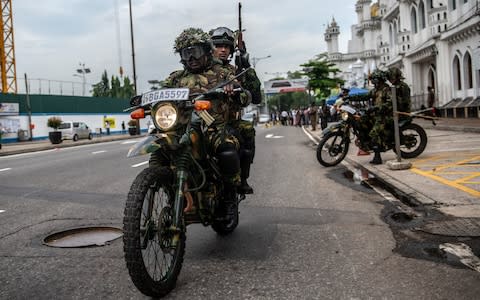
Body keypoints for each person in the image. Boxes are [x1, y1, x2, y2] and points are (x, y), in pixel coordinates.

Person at [163, 27, 250, 219]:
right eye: (186, 53)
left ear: (206, 50)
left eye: (195, 52)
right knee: (159, 150)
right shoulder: (176, 78)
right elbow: (161, 94)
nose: (191, 58)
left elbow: (246, 96)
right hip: (180, 129)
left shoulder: (223, 73)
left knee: (227, 150)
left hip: (213, 129)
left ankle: (229, 196)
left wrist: (233, 90)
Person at [210, 26, 260, 194]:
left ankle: (241, 180)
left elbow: (256, 96)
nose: (223, 50)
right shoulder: (197, 69)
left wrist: (245, 65)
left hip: (228, 123)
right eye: (218, 46)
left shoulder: (236, 72)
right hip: (195, 123)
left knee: (247, 131)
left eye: (227, 46)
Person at [368, 69, 392, 165]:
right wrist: (350, 97)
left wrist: (376, 108)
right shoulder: (375, 90)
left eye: (374, 79)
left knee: (374, 133)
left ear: (379, 79)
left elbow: (390, 103)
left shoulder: (387, 89)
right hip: (377, 115)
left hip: (385, 116)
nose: (373, 81)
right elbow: (365, 95)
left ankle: (377, 157)